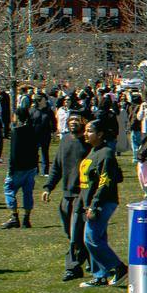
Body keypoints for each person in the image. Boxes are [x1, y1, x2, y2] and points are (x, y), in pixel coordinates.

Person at [77, 117, 127, 287]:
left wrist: (94, 205)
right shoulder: (93, 151)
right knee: (98, 237)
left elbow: (105, 182)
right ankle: (99, 276)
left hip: (102, 202)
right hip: (90, 202)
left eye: (90, 131)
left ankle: (119, 268)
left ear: (100, 134)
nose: (86, 133)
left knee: (90, 239)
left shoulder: (105, 153)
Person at [45, 114, 90, 281]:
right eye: (71, 120)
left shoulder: (88, 143)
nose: (73, 122)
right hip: (66, 193)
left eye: (77, 119)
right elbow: (56, 167)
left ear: (83, 122)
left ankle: (72, 267)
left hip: (82, 194)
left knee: (75, 232)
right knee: (69, 232)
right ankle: (87, 256)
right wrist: (48, 187)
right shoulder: (64, 141)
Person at [1, 105, 40, 229]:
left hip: (18, 167)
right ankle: (26, 219)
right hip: (31, 166)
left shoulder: (16, 131)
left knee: (9, 189)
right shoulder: (33, 129)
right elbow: (35, 149)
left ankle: (14, 216)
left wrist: (11, 168)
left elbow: (14, 152)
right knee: (27, 192)